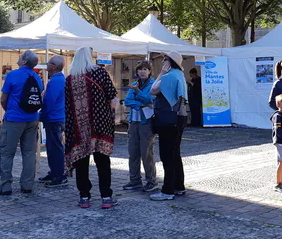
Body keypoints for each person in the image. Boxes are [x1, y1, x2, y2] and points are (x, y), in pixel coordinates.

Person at [65, 47, 118, 209]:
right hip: (100, 125)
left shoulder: (70, 78)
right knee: (103, 162)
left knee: (82, 163)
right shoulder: (100, 73)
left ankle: (84, 197)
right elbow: (112, 96)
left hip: (79, 128)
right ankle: (106, 197)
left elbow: (67, 106)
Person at [0, 50, 44, 196]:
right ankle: (27, 185)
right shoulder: (37, 77)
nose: (19, 57)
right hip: (32, 118)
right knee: (29, 153)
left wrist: (8, 111)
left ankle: (5, 186)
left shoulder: (13, 75)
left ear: (23, 61)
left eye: (21, 56)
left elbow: (3, 99)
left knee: (6, 153)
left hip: (14, 119)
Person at [150, 51, 189, 201]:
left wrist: (161, 73)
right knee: (175, 153)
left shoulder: (168, 76)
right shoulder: (180, 76)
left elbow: (153, 90)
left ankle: (168, 190)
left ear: (169, 62)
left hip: (168, 119)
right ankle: (179, 186)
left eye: (164, 59)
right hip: (180, 117)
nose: (162, 61)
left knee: (167, 155)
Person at [123, 60, 158, 192]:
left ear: (149, 71)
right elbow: (127, 101)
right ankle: (135, 180)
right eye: (140, 69)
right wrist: (140, 104)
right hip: (134, 122)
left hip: (146, 122)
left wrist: (138, 93)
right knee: (133, 152)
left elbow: (150, 99)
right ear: (137, 72)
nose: (142, 72)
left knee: (146, 152)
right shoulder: (134, 84)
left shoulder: (154, 84)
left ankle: (151, 181)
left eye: (145, 69)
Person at [39, 55, 67, 188]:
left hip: (54, 118)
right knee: (52, 147)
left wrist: (41, 115)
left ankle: (59, 175)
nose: (47, 65)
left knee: (55, 147)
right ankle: (54, 172)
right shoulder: (59, 79)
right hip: (56, 117)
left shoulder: (56, 81)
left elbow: (49, 101)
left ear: (54, 67)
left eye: (49, 63)